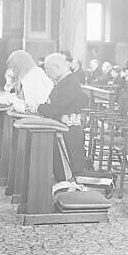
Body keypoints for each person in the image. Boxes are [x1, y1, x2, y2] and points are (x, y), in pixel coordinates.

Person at [38, 53, 88, 181]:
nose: (47, 74)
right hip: (63, 129)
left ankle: (108, 180)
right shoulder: (64, 81)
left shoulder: (70, 83)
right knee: (66, 171)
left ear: (57, 66)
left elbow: (55, 109)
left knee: (73, 173)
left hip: (68, 132)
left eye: (48, 70)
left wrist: (37, 108)